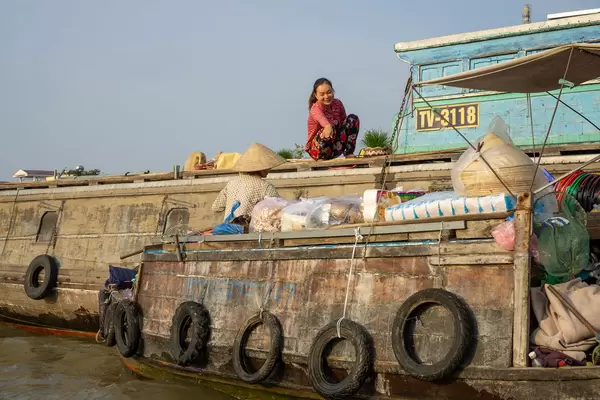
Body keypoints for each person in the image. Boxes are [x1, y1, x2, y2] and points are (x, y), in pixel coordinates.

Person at [211, 143, 285, 221]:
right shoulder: (265, 186)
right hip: (248, 230)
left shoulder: (231, 183)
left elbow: (216, 207)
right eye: (267, 167)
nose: (269, 169)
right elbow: (281, 206)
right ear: (259, 168)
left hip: (228, 229)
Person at [305, 77, 360, 161]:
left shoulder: (337, 103)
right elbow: (322, 120)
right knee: (330, 126)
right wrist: (328, 126)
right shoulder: (315, 108)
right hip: (318, 149)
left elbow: (345, 124)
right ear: (316, 95)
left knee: (352, 119)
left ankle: (349, 152)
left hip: (335, 146)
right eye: (322, 94)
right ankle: (322, 157)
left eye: (329, 92)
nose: (326, 96)